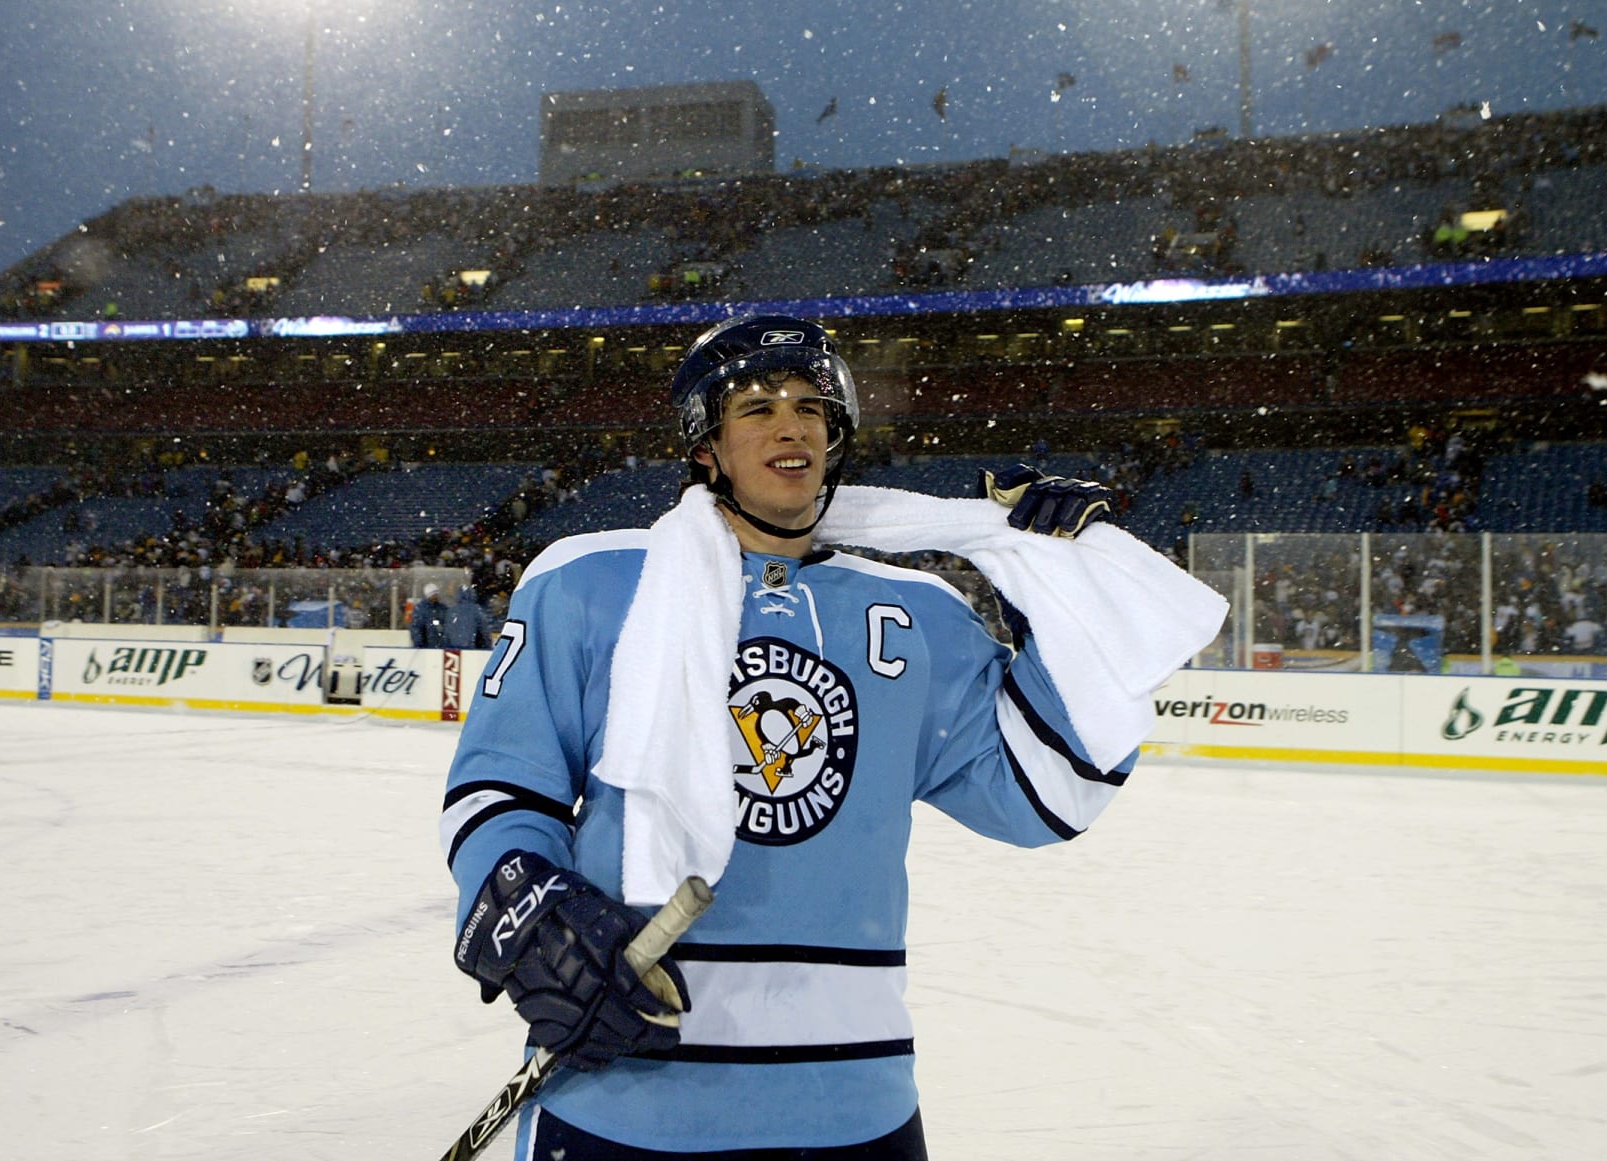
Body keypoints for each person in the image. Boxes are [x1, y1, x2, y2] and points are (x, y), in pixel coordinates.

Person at [440, 313, 1223, 1158]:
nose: (791, 424)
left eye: (811, 406)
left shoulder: (917, 613)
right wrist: (527, 902)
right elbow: (503, 786)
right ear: (706, 445)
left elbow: (1043, 794)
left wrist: (1062, 601)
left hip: (854, 1106)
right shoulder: (589, 581)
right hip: (628, 1093)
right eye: (757, 406)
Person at [444, 583, 490, 649]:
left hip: (453, 648)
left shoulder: (452, 610)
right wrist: (487, 646)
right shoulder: (476, 610)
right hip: (470, 647)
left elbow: (447, 631)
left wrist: (445, 646)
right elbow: (484, 630)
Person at [410, 582, 449, 649]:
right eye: (433, 594)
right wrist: (418, 642)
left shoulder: (442, 608)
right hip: (426, 646)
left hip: (440, 646)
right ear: (428, 596)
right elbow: (416, 627)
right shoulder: (421, 609)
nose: (435, 596)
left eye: (436, 594)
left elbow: (447, 625)